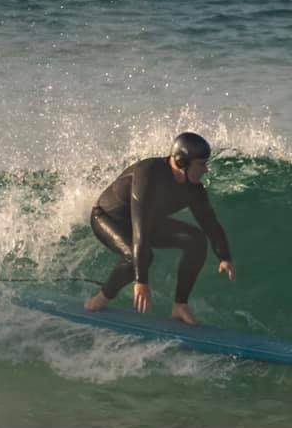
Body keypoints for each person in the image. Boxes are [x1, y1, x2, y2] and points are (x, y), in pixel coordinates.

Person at [85, 132, 236, 325]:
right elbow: (140, 228)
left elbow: (210, 223)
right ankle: (100, 300)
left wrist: (224, 257)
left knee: (195, 240)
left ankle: (180, 306)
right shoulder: (148, 173)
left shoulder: (194, 189)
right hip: (109, 218)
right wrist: (141, 281)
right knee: (140, 256)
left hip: (147, 221)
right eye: (201, 164)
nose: (206, 170)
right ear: (181, 162)